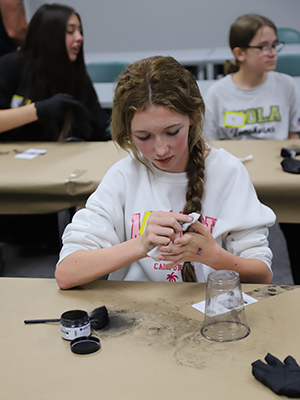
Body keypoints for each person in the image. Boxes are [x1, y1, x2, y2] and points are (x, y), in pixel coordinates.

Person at [55, 55, 276, 290]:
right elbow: (67, 273)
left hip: (212, 316)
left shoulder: (228, 173)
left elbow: (262, 276)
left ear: (194, 116)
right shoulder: (123, 177)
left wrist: (213, 256)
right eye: (144, 137)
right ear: (128, 131)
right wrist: (141, 245)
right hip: (136, 319)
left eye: (172, 132)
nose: (161, 150)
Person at [203, 14, 300, 284]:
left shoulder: (286, 85)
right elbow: (211, 146)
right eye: (263, 46)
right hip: (237, 178)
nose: (272, 53)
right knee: (235, 243)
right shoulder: (218, 93)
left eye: (274, 45)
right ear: (240, 53)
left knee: (296, 226)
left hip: (277, 177)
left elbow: (292, 138)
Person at [0, 3, 110, 142]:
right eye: (70, 31)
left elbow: (100, 124)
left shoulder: (74, 71)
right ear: (49, 36)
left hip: (58, 155)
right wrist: (40, 109)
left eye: (79, 31)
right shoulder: (10, 65)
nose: (79, 37)